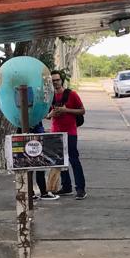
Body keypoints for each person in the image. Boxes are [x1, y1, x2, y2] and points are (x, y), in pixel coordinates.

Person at [47, 70, 86, 199]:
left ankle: (80, 189)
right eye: (52, 81)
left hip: (70, 132)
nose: (55, 83)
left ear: (61, 80)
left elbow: (82, 110)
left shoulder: (72, 94)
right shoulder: (49, 96)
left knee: (73, 160)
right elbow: (44, 114)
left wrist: (66, 110)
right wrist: (51, 115)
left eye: (57, 80)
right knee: (60, 161)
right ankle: (66, 187)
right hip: (55, 132)